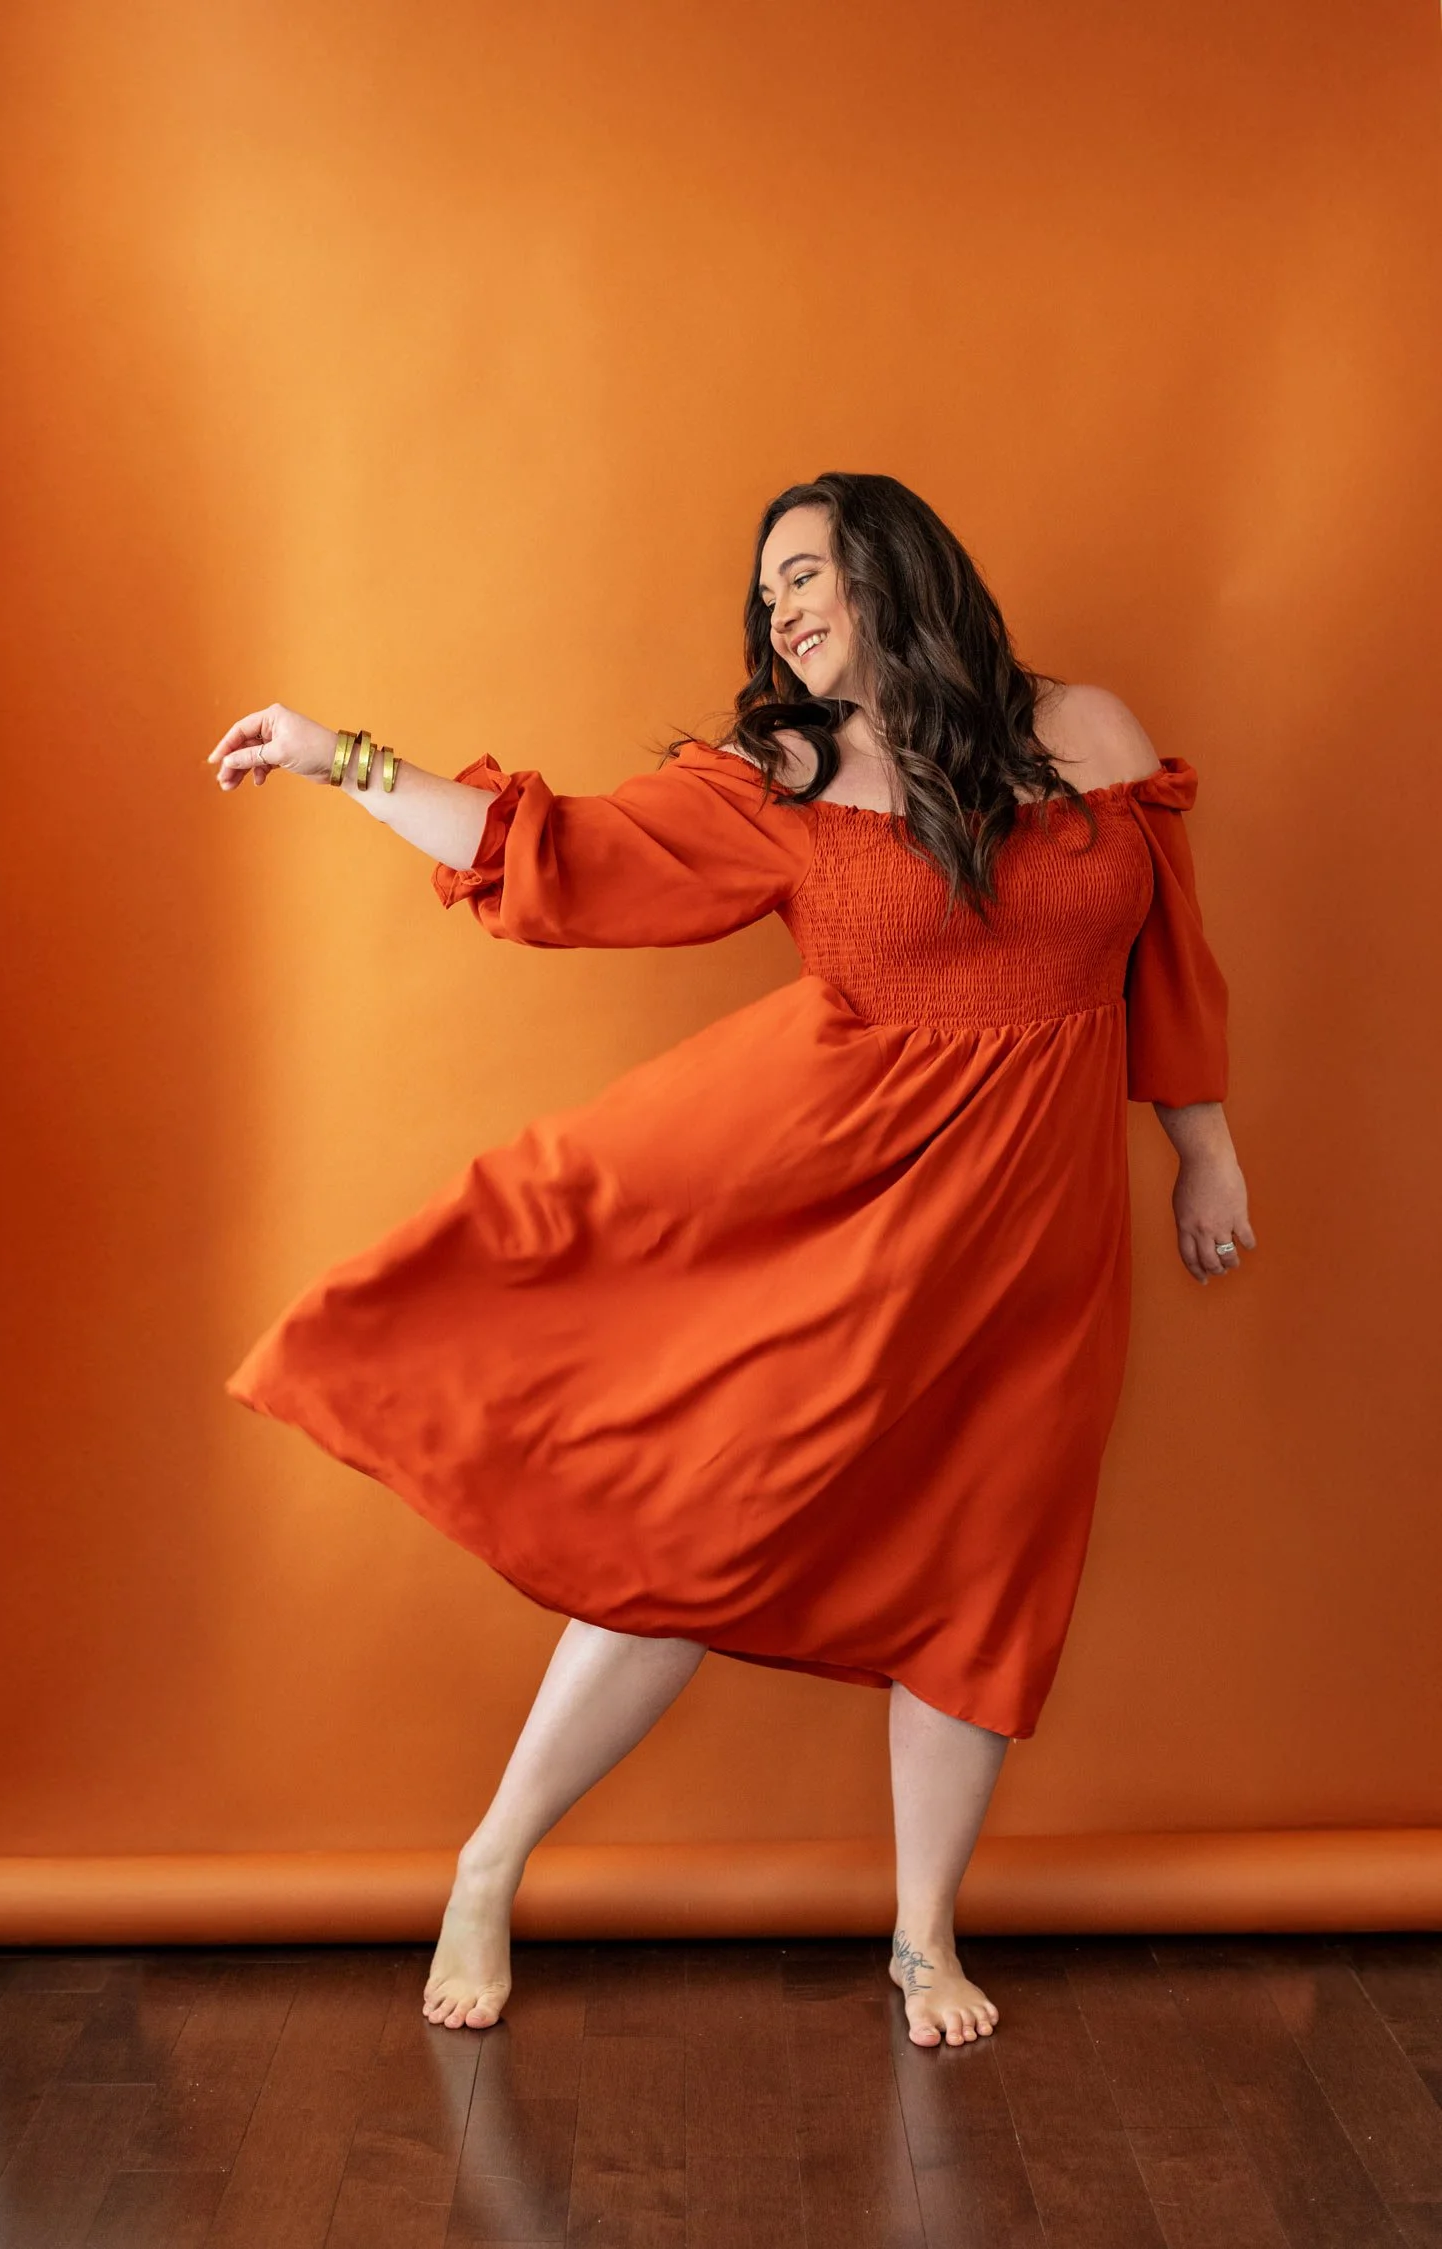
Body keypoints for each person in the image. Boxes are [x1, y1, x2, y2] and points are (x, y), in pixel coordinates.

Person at [208, 471, 1254, 2051]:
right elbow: (549, 854)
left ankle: (921, 1942)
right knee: (694, 1536)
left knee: (993, 1569)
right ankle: (489, 1866)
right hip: (839, 1220)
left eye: (807, 572)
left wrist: (1202, 1142)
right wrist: (333, 754)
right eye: (766, 590)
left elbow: (1161, 942)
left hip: (1041, 1241)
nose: (780, 607)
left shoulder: (1092, 732)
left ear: (900, 571)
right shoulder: (785, 772)